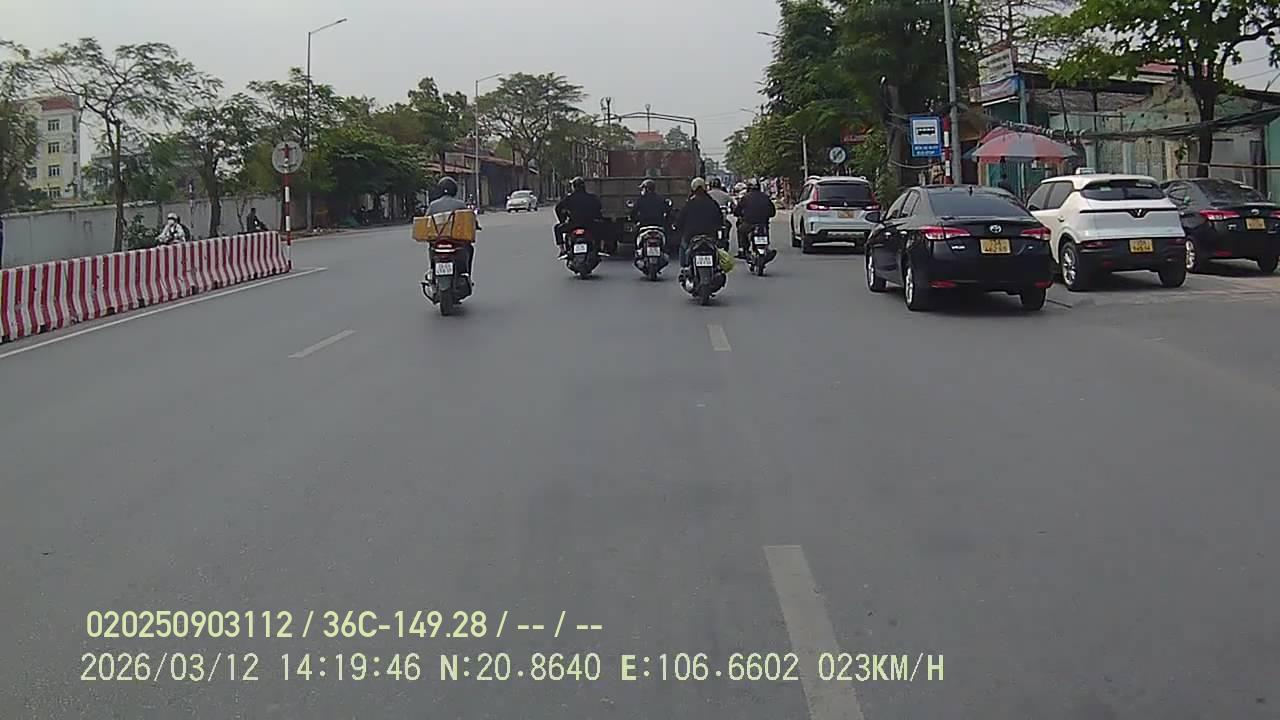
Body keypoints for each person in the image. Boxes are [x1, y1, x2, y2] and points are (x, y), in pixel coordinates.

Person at [424, 176, 477, 277]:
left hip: (437, 241)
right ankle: (466, 275)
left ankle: (432, 271)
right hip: (456, 241)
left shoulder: (433, 205)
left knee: (431, 247)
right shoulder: (460, 204)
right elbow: (470, 219)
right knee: (469, 248)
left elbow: (426, 222)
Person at [675, 177, 725, 273]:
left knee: (683, 246)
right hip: (710, 235)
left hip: (692, 236)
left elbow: (680, 219)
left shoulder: (689, 204)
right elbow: (720, 219)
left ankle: (684, 268)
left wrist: (676, 226)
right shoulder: (712, 203)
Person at [554, 176, 603, 259]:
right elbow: (598, 207)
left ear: (573, 187)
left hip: (573, 225)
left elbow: (558, 208)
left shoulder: (569, 198)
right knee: (601, 228)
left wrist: (562, 220)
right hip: (589, 224)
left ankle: (562, 249)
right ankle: (599, 248)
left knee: (557, 228)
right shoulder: (592, 198)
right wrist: (596, 217)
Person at [733, 178, 777, 258]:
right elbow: (772, 212)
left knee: (741, 230)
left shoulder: (745, 198)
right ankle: (765, 248)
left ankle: (743, 249)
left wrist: (740, 215)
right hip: (762, 224)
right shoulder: (765, 197)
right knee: (765, 229)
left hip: (749, 224)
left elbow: (737, 211)